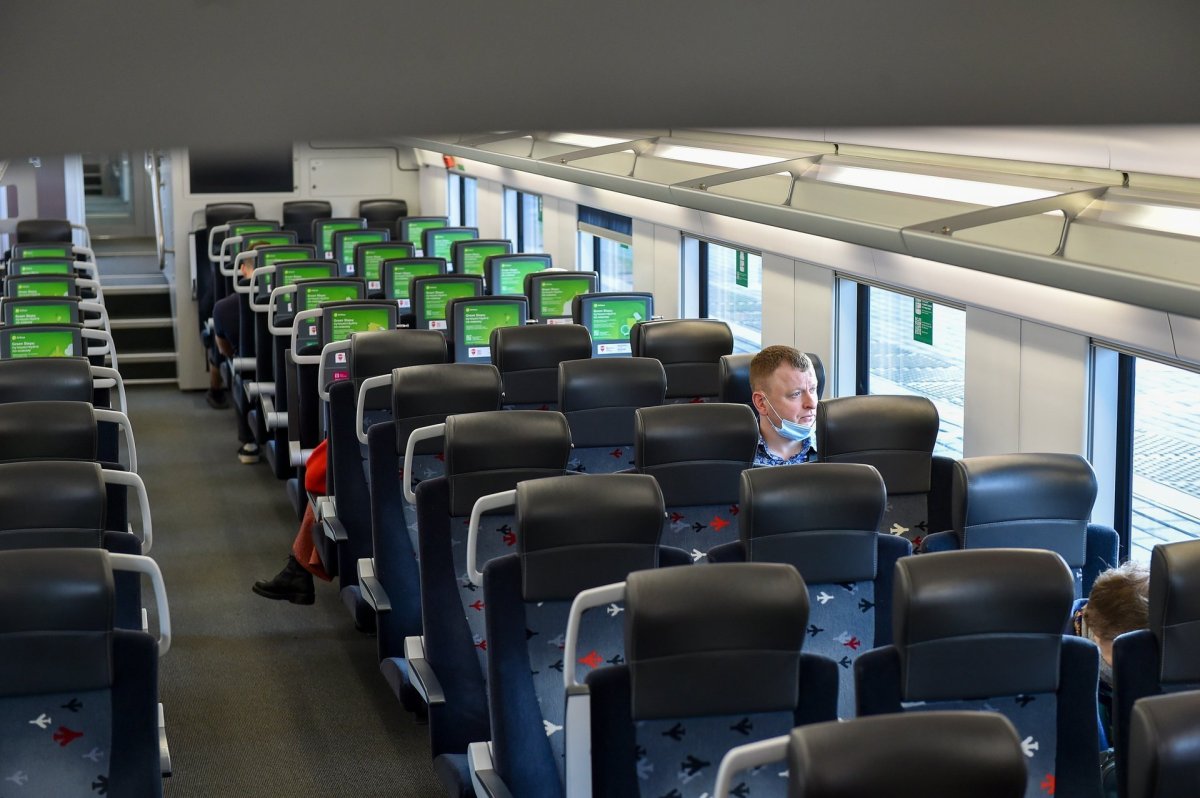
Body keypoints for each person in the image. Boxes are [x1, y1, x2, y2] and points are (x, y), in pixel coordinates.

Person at [749, 345, 819, 466]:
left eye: (812, 390)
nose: (812, 404)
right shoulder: (732, 455)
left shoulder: (836, 448)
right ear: (761, 403)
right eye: (796, 394)